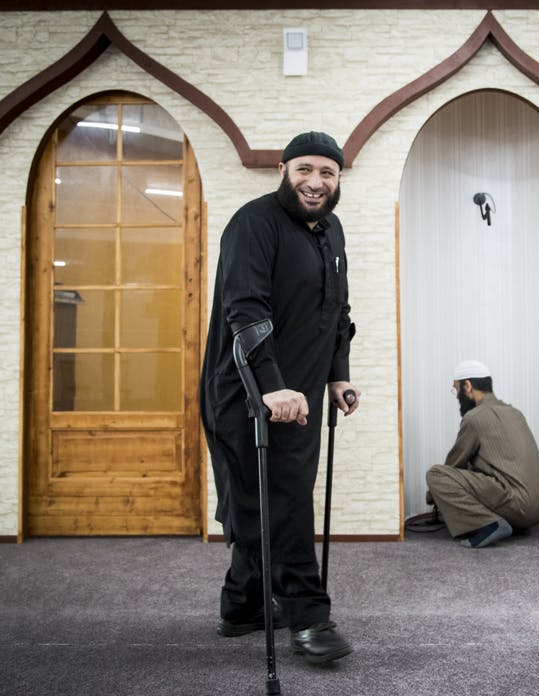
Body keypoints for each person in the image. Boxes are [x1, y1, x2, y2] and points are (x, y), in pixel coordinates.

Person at [200, 131, 359, 664]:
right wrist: (273, 387)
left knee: (266, 501)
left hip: (302, 396)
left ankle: (242, 606)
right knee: (280, 503)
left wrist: (338, 375)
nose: (316, 182)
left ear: (338, 180)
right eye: (305, 170)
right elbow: (244, 311)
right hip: (245, 392)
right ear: (284, 171)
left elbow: (337, 310)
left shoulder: (332, 230)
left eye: (327, 173)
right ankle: (308, 617)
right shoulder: (254, 223)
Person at [426, 360, 539, 549]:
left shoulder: (474, 417)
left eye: (456, 390)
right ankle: (511, 522)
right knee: (478, 466)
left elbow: (453, 466)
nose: (457, 396)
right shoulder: (515, 413)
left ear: (467, 386)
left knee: (436, 474)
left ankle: (488, 524)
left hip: (520, 506)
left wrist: (432, 496)